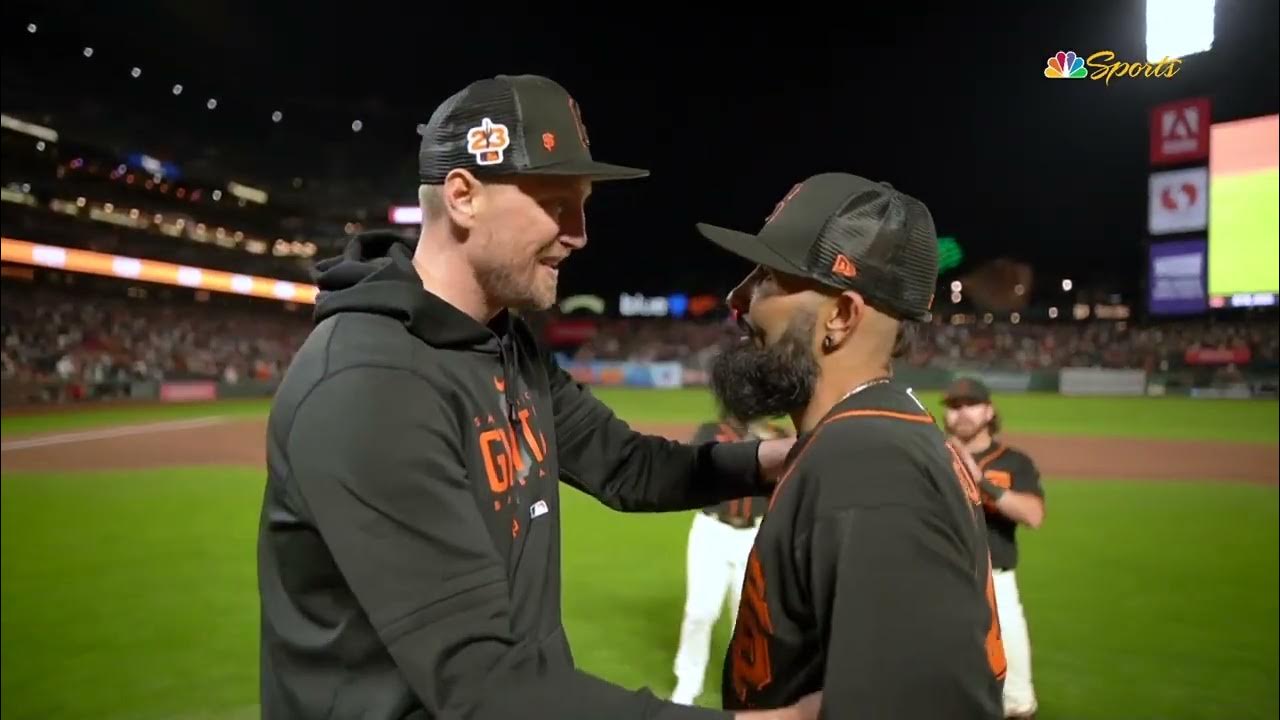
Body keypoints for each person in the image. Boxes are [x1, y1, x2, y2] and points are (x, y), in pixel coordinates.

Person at [256, 73, 819, 720]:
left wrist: (776, 460)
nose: (579, 233)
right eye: (555, 203)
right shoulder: (369, 384)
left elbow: (628, 466)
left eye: (582, 204)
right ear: (463, 196)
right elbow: (485, 685)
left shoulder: (505, 342)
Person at [695, 172, 1008, 718]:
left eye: (767, 277)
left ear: (840, 316)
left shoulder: (870, 465)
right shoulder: (861, 437)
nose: (737, 298)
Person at [943, 377, 1046, 720]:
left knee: (1016, 699)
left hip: (996, 584)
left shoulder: (1013, 461)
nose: (962, 413)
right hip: (939, 582)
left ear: (989, 411)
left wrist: (980, 481)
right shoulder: (930, 458)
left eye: (970, 404)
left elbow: (1033, 515)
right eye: (954, 407)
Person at [672, 415, 791, 706]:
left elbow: (793, 474)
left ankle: (746, 688)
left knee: (748, 617)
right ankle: (688, 682)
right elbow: (695, 472)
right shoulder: (710, 431)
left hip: (752, 533)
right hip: (712, 530)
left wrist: (774, 444)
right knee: (700, 612)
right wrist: (748, 447)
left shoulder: (776, 435)